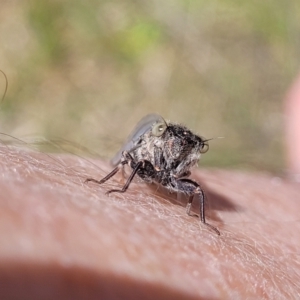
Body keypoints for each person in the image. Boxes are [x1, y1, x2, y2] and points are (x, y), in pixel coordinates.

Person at [1, 77, 300, 299]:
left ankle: (199, 217)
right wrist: (115, 187)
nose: (188, 155)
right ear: (171, 143)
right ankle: (113, 184)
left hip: (165, 173)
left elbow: (193, 185)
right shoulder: (158, 145)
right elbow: (133, 158)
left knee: (196, 190)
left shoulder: (184, 165)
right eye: (182, 147)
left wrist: (200, 216)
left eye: (191, 151)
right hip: (143, 161)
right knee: (132, 162)